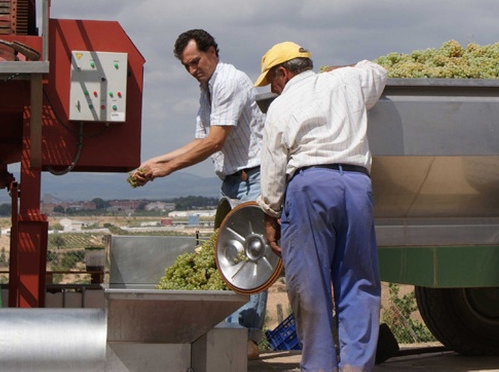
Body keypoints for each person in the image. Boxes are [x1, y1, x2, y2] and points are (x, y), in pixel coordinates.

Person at [131, 28, 267, 359]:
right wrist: (157, 161)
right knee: (234, 256)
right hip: (235, 181)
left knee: (254, 256)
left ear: (211, 52)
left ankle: (246, 338)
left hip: (255, 176)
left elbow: (215, 141)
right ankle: (236, 335)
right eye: (187, 66)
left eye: (196, 62)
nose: (193, 70)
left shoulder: (227, 82)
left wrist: (169, 169)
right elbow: (199, 139)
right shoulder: (207, 90)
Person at [254, 41, 388, 371]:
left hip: (310, 186)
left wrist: (270, 213)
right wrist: (345, 68)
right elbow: (378, 71)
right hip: (356, 185)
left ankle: (318, 366)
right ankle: (357, 366)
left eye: (271, 80)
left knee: (309, 285)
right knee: (359, 282)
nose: (272, 88)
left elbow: (272, 165)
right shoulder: (345, 81)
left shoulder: (282, 106)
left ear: (283, 73)